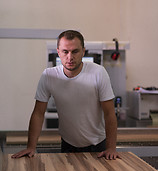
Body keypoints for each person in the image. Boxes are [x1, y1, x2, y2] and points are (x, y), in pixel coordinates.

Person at [12, 30, 120, 160]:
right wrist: (31, 147)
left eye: (75, 51)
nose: (70, 57)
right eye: (65, 52)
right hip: (68, 144)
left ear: (83, 51)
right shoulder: (49, 76)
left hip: (98, 146)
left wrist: (111, 148)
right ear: (58, 52)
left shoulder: (98, 73)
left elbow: (109, 113)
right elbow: (38, 113)